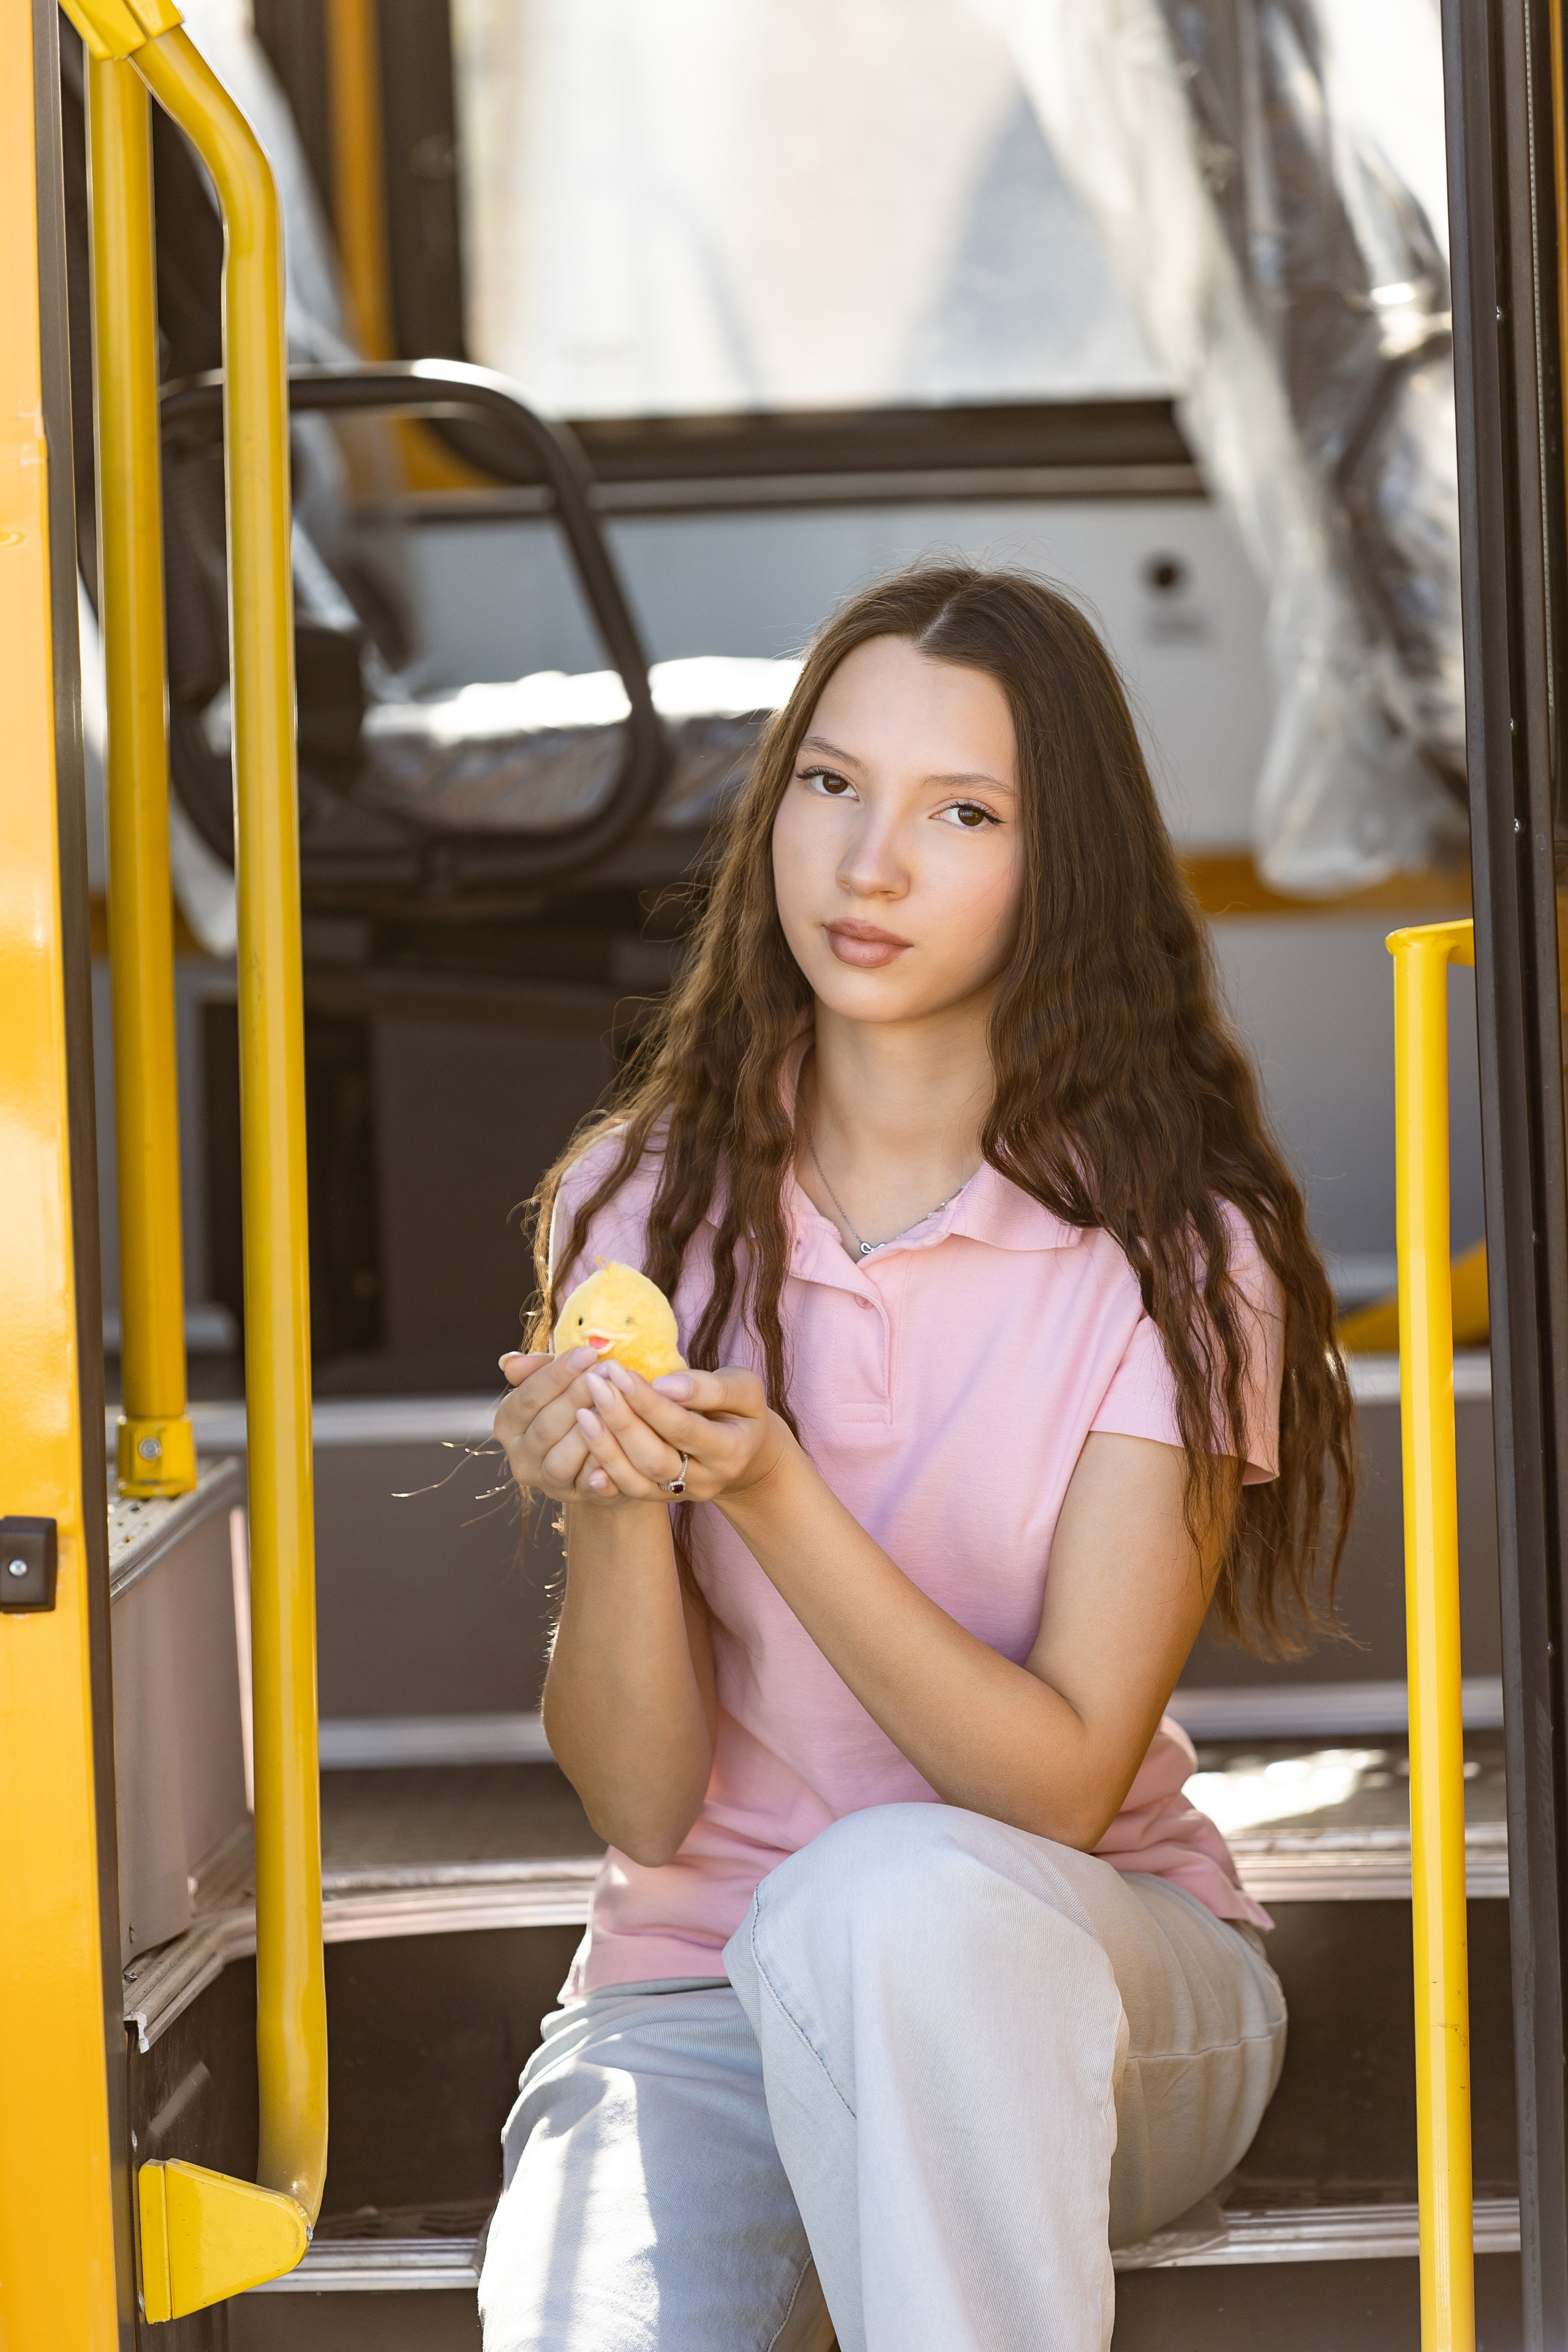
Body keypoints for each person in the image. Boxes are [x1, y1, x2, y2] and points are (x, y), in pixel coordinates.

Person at [479, 565, 1355, 2352]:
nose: (867, 864)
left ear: (1062, 870)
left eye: (961, 813)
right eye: (829, 784)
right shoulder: (629, 1205)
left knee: (889, 1896)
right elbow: (646, 1811)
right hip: (697, 1996)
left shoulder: (1179, 1256)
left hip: (1084, 1979)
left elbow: (1051, 1790)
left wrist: (775, 1492)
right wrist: (612, 1510)